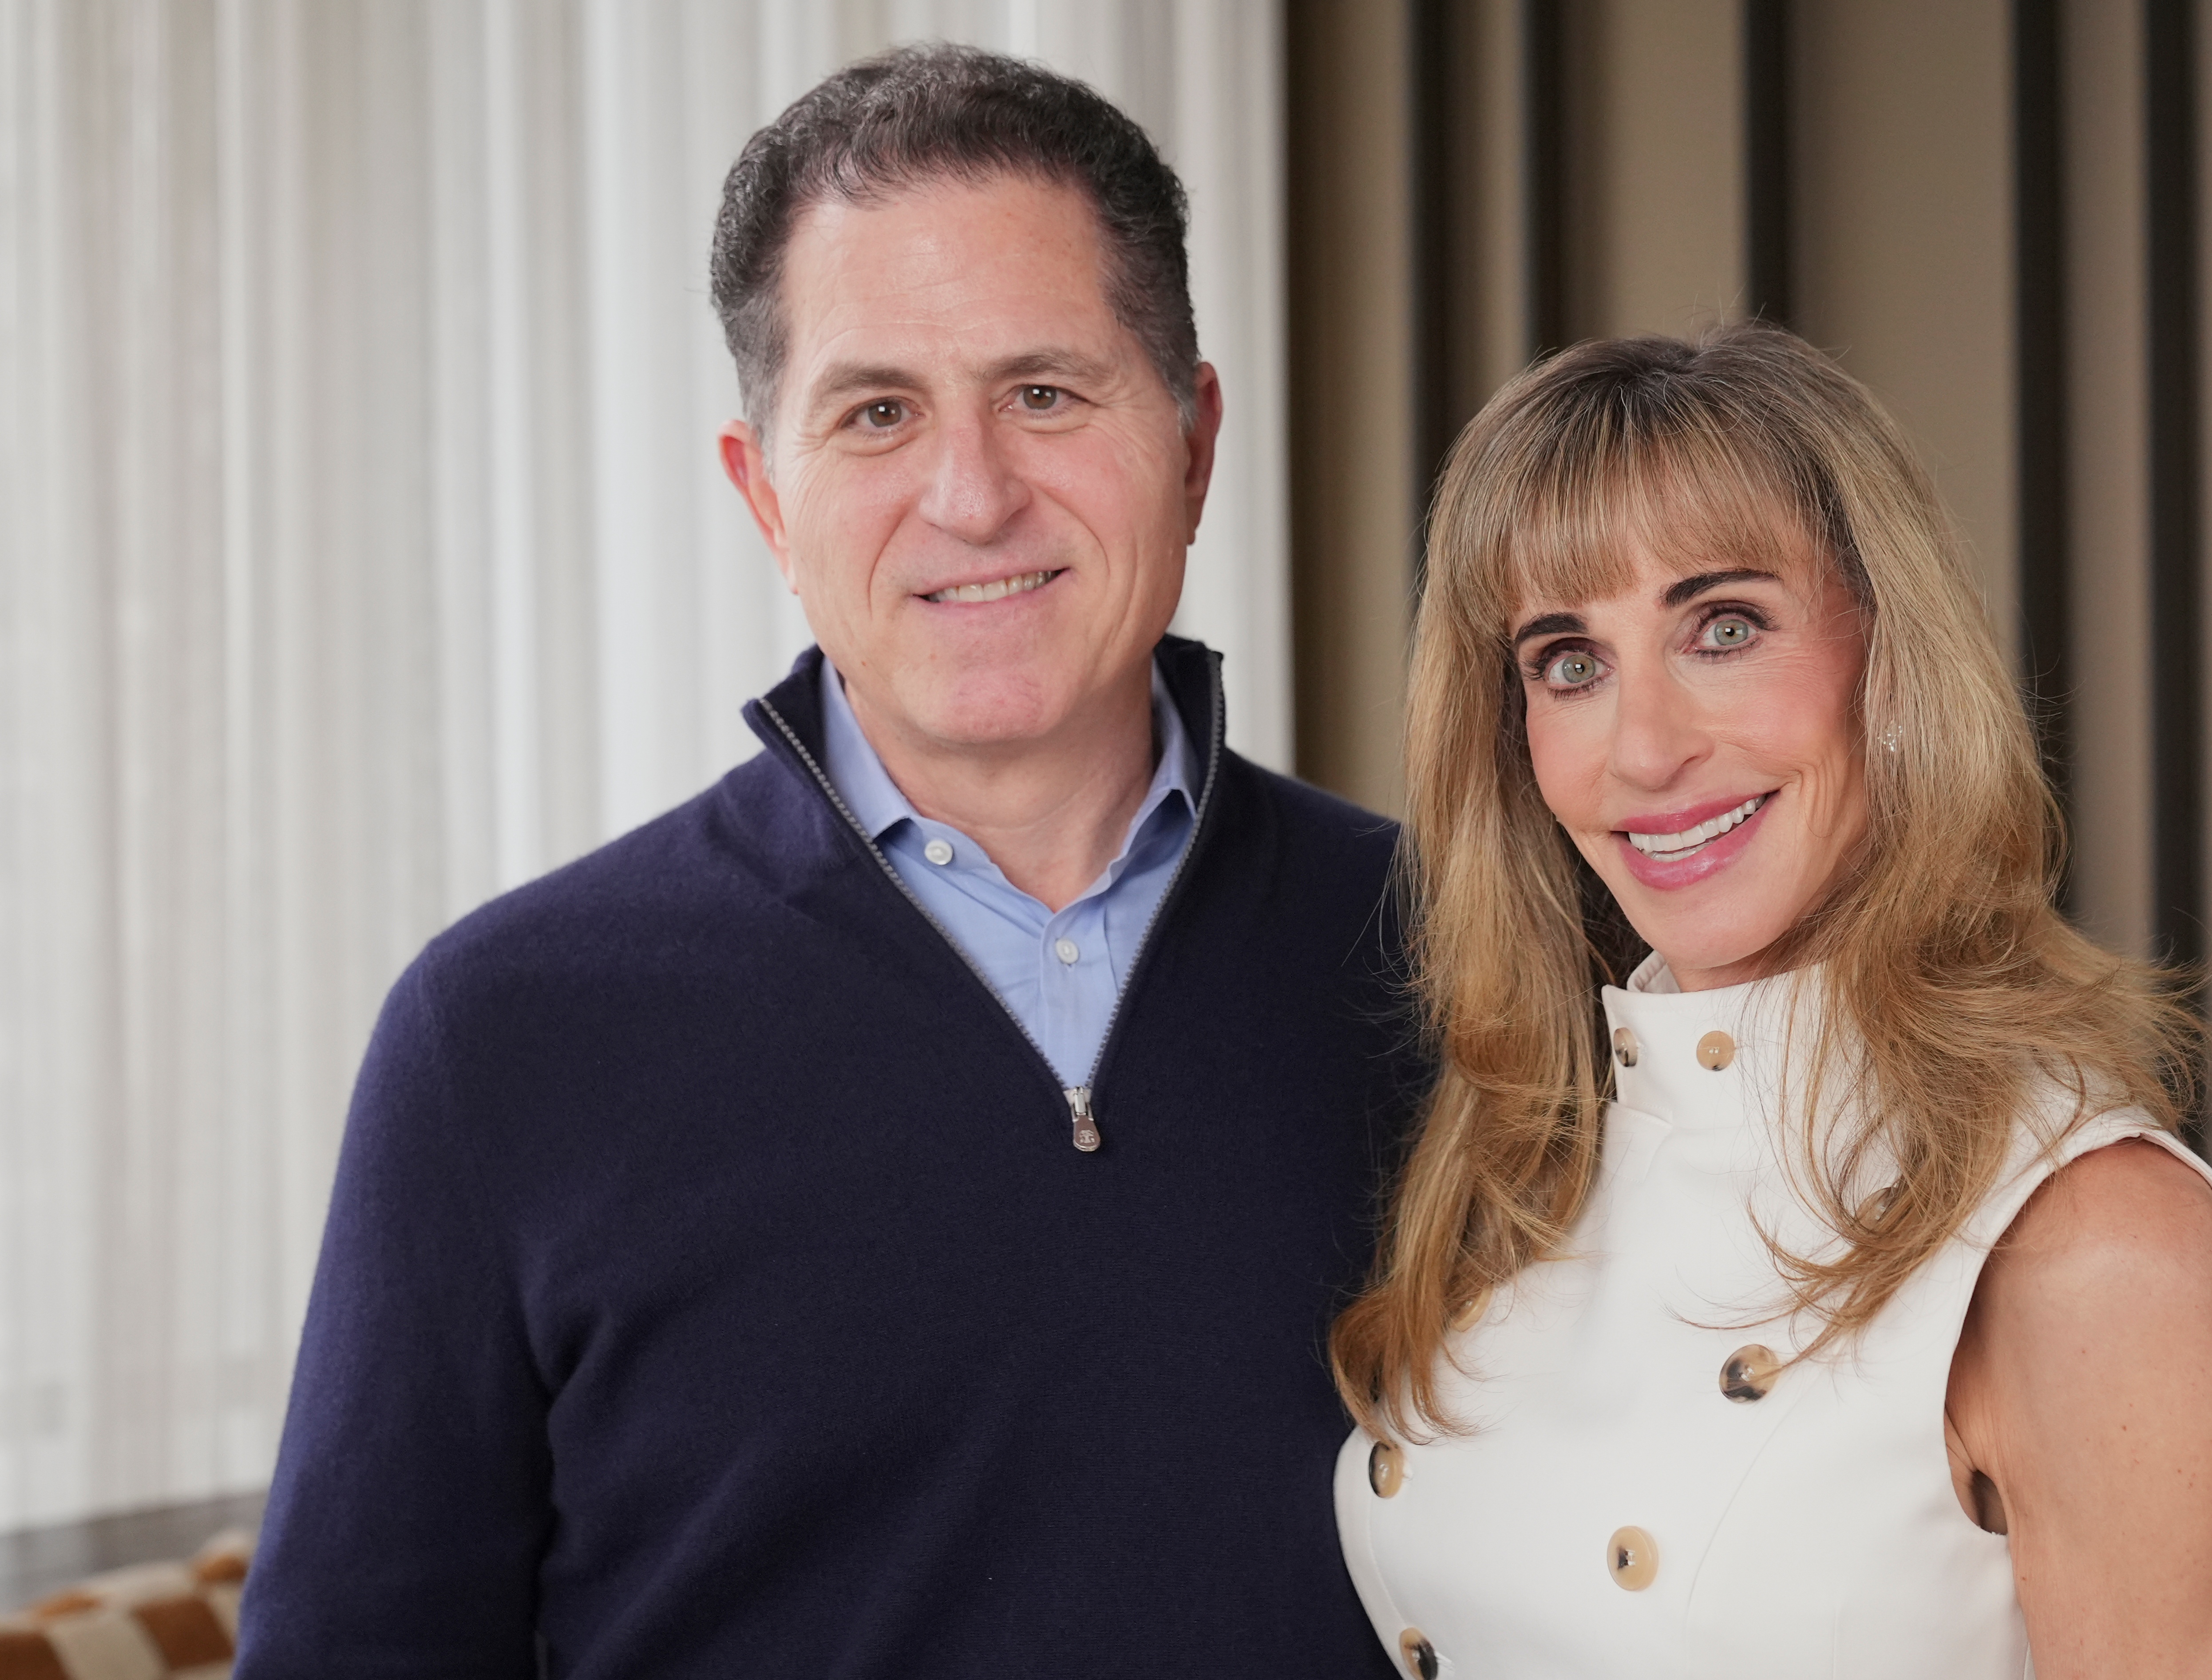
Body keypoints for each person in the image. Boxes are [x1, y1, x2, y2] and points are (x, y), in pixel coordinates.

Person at [238, 45, 1422, 1678]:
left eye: (1047, 392)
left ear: (1197, 439)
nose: (973, 492)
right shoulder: (498, 1041)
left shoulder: (1455, 959)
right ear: (765, 497)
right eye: (877, 413)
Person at [1329, 326, 2212, 1678]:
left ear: (1885, 659)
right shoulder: (1517, 1157)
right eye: (1568, 659)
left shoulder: (2090, 1236)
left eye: (1724, 627)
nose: (1645, 748)